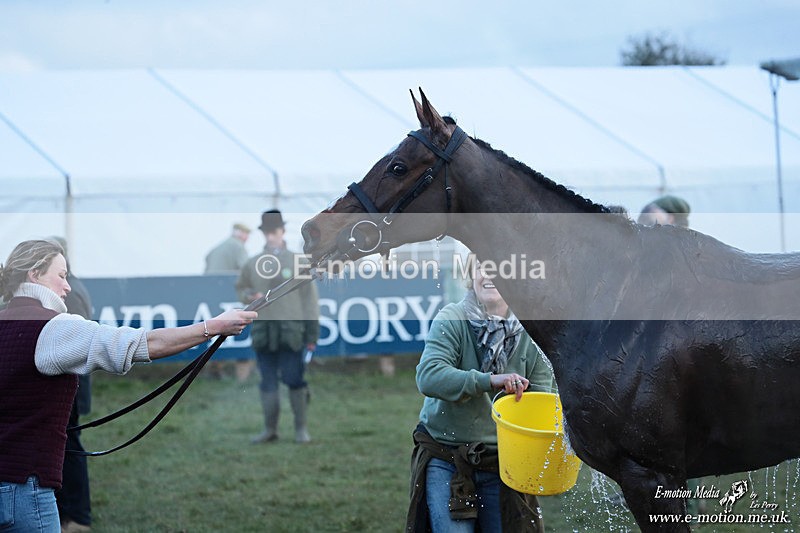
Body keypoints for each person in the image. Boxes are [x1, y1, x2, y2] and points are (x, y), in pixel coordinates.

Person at [0, 239, 257, 532]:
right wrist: (213, 327)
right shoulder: (53, 328)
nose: (68, 287)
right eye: (61, 275)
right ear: (34, 274)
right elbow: (145, 343)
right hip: (26, 489)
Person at [406, 261, 555, 533]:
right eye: (482, 266)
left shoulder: (533, 330)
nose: (489, 274)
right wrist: (488, 380)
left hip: (505, 464)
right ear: (471, 275)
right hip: (446, 456)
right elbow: (428, 376)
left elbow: (543, 401)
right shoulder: (452, 318)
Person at [236, 210, 319, 444]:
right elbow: (241, 288)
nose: (271, 236)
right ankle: (269, 430)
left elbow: (310, 301)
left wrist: (312, 335)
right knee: (267, 382)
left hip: (292, 333)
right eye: (267, 232)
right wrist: (249, 295)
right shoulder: (252, 263)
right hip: (264, 333)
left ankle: (301, 429)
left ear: (282, 231)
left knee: (295, 379)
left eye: (274, 231)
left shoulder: (299, 261)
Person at [49, 237, 93, 533]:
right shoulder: (73, 286)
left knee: (70, 449)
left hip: (70, 382)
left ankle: (77, 517)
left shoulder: (70, 292)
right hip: (70, 381)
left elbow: (73, 344)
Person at [204, 222, 253, 382]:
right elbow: (247, 271)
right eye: (246, 234)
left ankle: (214, 369)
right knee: (241, 334)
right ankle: (242, 378)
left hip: (213, 298)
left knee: (216, 332)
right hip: (232, 299)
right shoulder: (238, 247)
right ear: (241, 234)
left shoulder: (215, 249)